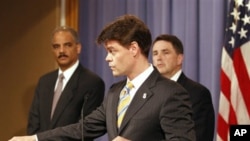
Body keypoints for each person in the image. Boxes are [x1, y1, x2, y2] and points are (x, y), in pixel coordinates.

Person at [9, 15, 195, 141]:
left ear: (133, 49)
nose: (107, 58)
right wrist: (34, 138)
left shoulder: (171, 93)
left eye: (112, 51)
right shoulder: (115, 92)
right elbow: (82, 128)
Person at [26, 26, 105, 141]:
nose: (61, 51)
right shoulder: (44, 81)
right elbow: (33, 124)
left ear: (78, 48)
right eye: (56, 46)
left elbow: (86, 129)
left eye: (67, 45)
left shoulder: (92, 82)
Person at [152, 34, 215, 141]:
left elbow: (200, 136)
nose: (158, 58)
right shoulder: (149, 92)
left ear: (179, 59)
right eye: (155, 53)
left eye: (165, 52)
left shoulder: (198, 93)